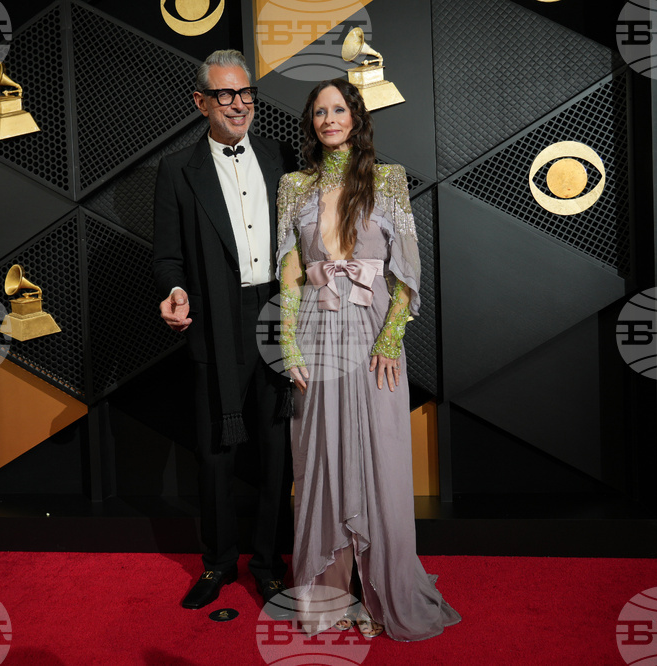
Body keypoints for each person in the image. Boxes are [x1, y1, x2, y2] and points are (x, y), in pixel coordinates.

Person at [276, 79, 461, 640]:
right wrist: (285, 341)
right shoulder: (293, 185)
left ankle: (384, 593)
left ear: (355, 117)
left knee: (380, 456)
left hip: (377, 333)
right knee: (320, 460)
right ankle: (330, 596)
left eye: (337, 109)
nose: (328, 119)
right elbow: (287, 269)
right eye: (318, 112)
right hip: (316, 334)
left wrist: (389, 339)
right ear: (310, 122)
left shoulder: (389, 179)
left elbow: (407, 270)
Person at [153, 49, 295, 611]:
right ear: (201, 102)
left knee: (276, 446)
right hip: (214, 311)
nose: (239, 105)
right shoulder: (176, 171)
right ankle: (217, 563)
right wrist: (174, 292)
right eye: (225, 95)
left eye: (245, 94)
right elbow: (167, 257)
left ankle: (269, 562)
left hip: (278, 311)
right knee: (216, 450)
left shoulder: (282, 156)